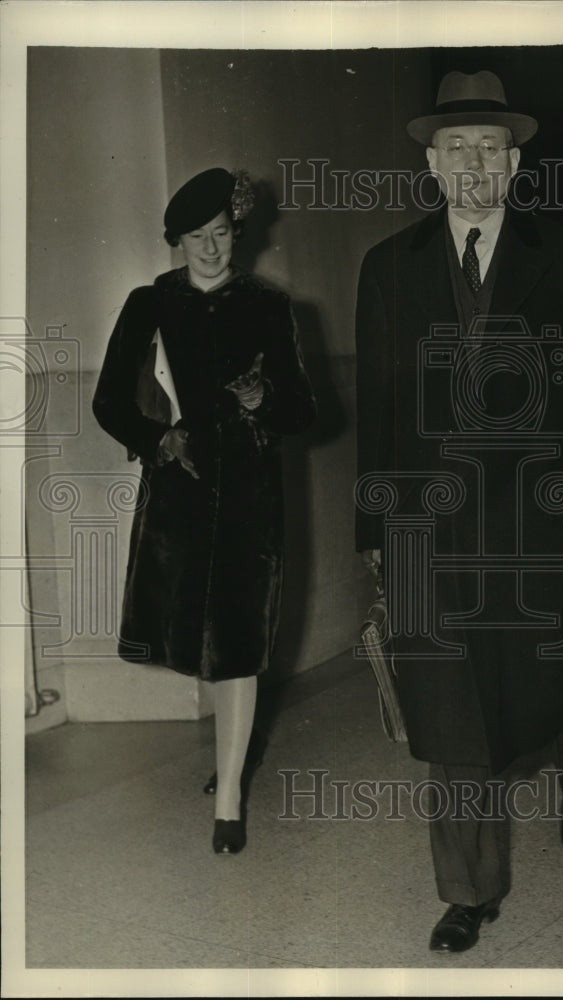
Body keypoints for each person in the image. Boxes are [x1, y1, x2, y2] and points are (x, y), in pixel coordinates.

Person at [355, 71, 563, 952]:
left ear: (516, 163)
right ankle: (467, 889)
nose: (473, 163)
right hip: (428, 525)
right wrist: (374, 528)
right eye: (457, 148)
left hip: (546, 519)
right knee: (449, 710)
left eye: (490, 147)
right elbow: (377, 407)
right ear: (431, 163)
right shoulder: (387, 267)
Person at [93, 167, 316, 855]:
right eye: (197, 238)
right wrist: (158, 439)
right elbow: (108, 402)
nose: (212, 250)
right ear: (177, 241)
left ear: (236, 233)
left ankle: (227, 799)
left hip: (251, 495)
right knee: (197, 637)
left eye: (221, 234)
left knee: (240, 640)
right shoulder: (149, 304)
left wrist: (263, 402)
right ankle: (232, 758)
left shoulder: (269, 304)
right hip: (182, 496)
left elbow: (307, 412)